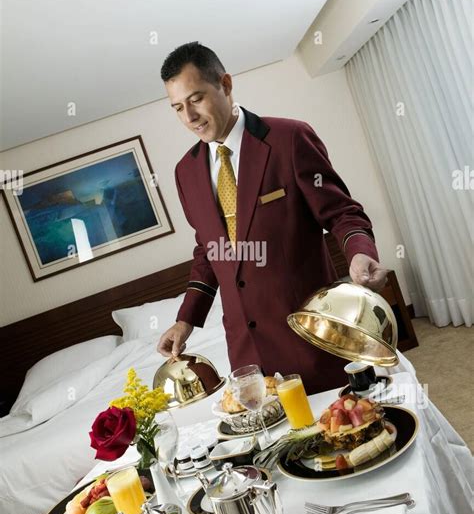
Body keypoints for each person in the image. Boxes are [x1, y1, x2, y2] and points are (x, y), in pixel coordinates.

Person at [157, 42, 388, 394]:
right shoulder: (185, 172)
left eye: (196, 99)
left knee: (344, 435)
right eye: (177, 108)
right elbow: (210, 250)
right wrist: (186, 320)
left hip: (310, 336)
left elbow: (342, 211)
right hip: (247, 358)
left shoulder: (289, 139)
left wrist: (359, 251)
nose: (189, 117)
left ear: (226, 84)